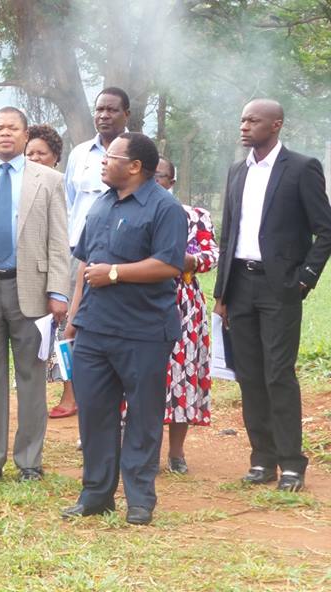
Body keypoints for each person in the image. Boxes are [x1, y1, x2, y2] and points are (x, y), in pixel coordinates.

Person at [61, 132, 187, 526]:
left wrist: (115, 273)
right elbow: (85, 265)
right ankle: (96, 495)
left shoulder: (165, 209)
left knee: (143, 417)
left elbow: (169, 264)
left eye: (111, 156)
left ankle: (139, 499)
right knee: (94, 414)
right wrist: (72, 319)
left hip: (144, 331)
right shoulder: (100, 204)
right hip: (94, 329)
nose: (103, 161)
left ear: (134, 166)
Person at [213, 99, 331, 492]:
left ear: (276, 125)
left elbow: (324, 230)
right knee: (249, 376)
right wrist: (221, 293)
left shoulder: (300, 168)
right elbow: (227, 236)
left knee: (278, 374)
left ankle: (292, 464)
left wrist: (305, 278)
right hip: (240, 286)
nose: (244, 126)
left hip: (280, 288)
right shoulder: (236, 171)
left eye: (253, 120)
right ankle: (262, 460)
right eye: (242, 119)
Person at [0, 107, 70, 485]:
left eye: (13, 128)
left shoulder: (50, 180)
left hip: (32, 292)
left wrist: (58, 291)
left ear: (25, 136)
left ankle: (29, 460)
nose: (6, 134)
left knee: (31, 378)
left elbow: (58, 240)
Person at [55, 87, 131, 420]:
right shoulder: (80, 154)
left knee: (116, 333)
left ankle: (121, 411)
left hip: (122, 260)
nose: (103, 115)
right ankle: (80, 403)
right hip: (80, 255)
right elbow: (71, 203)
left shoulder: (137, 150)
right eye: (99, 109)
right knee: (74, 328)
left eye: (111, 110)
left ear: (126, 114)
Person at [153, 156, 218, 474]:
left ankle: (176, 453)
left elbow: (211, 255)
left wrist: (182, 260)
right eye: (149, 175)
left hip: (185, 306)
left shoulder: (195, 216)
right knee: (142, 376)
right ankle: (144, 449)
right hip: (140, 303)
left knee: (182, 374)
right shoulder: (131, 211)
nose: (155, 182)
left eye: (161, 177)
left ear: (172, 182)